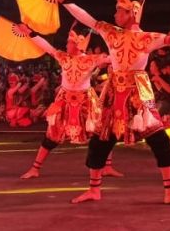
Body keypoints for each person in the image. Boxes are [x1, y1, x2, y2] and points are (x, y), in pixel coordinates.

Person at [56, 0, 170, 206]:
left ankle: (169, 192)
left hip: (138, 94)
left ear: (133, 12)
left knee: (158, 140)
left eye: (120, 9)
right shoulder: (111, 33)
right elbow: (85, 18)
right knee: (101, 141)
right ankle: (94, 189)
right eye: (117, 9)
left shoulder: (146, 38)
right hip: (113, 94)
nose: (115, 13)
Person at [17, 26, 110, 179]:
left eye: (69, 42)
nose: (66, 45)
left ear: (77, 44)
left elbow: (109, 59)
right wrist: (29, 32)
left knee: (100, 133)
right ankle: (35, 168)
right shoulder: (63, 57)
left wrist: (112, 56)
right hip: (64, 100)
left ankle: (107, 166)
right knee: (52, 135)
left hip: (85, 101)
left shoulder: (90, 59)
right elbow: (47, 47)